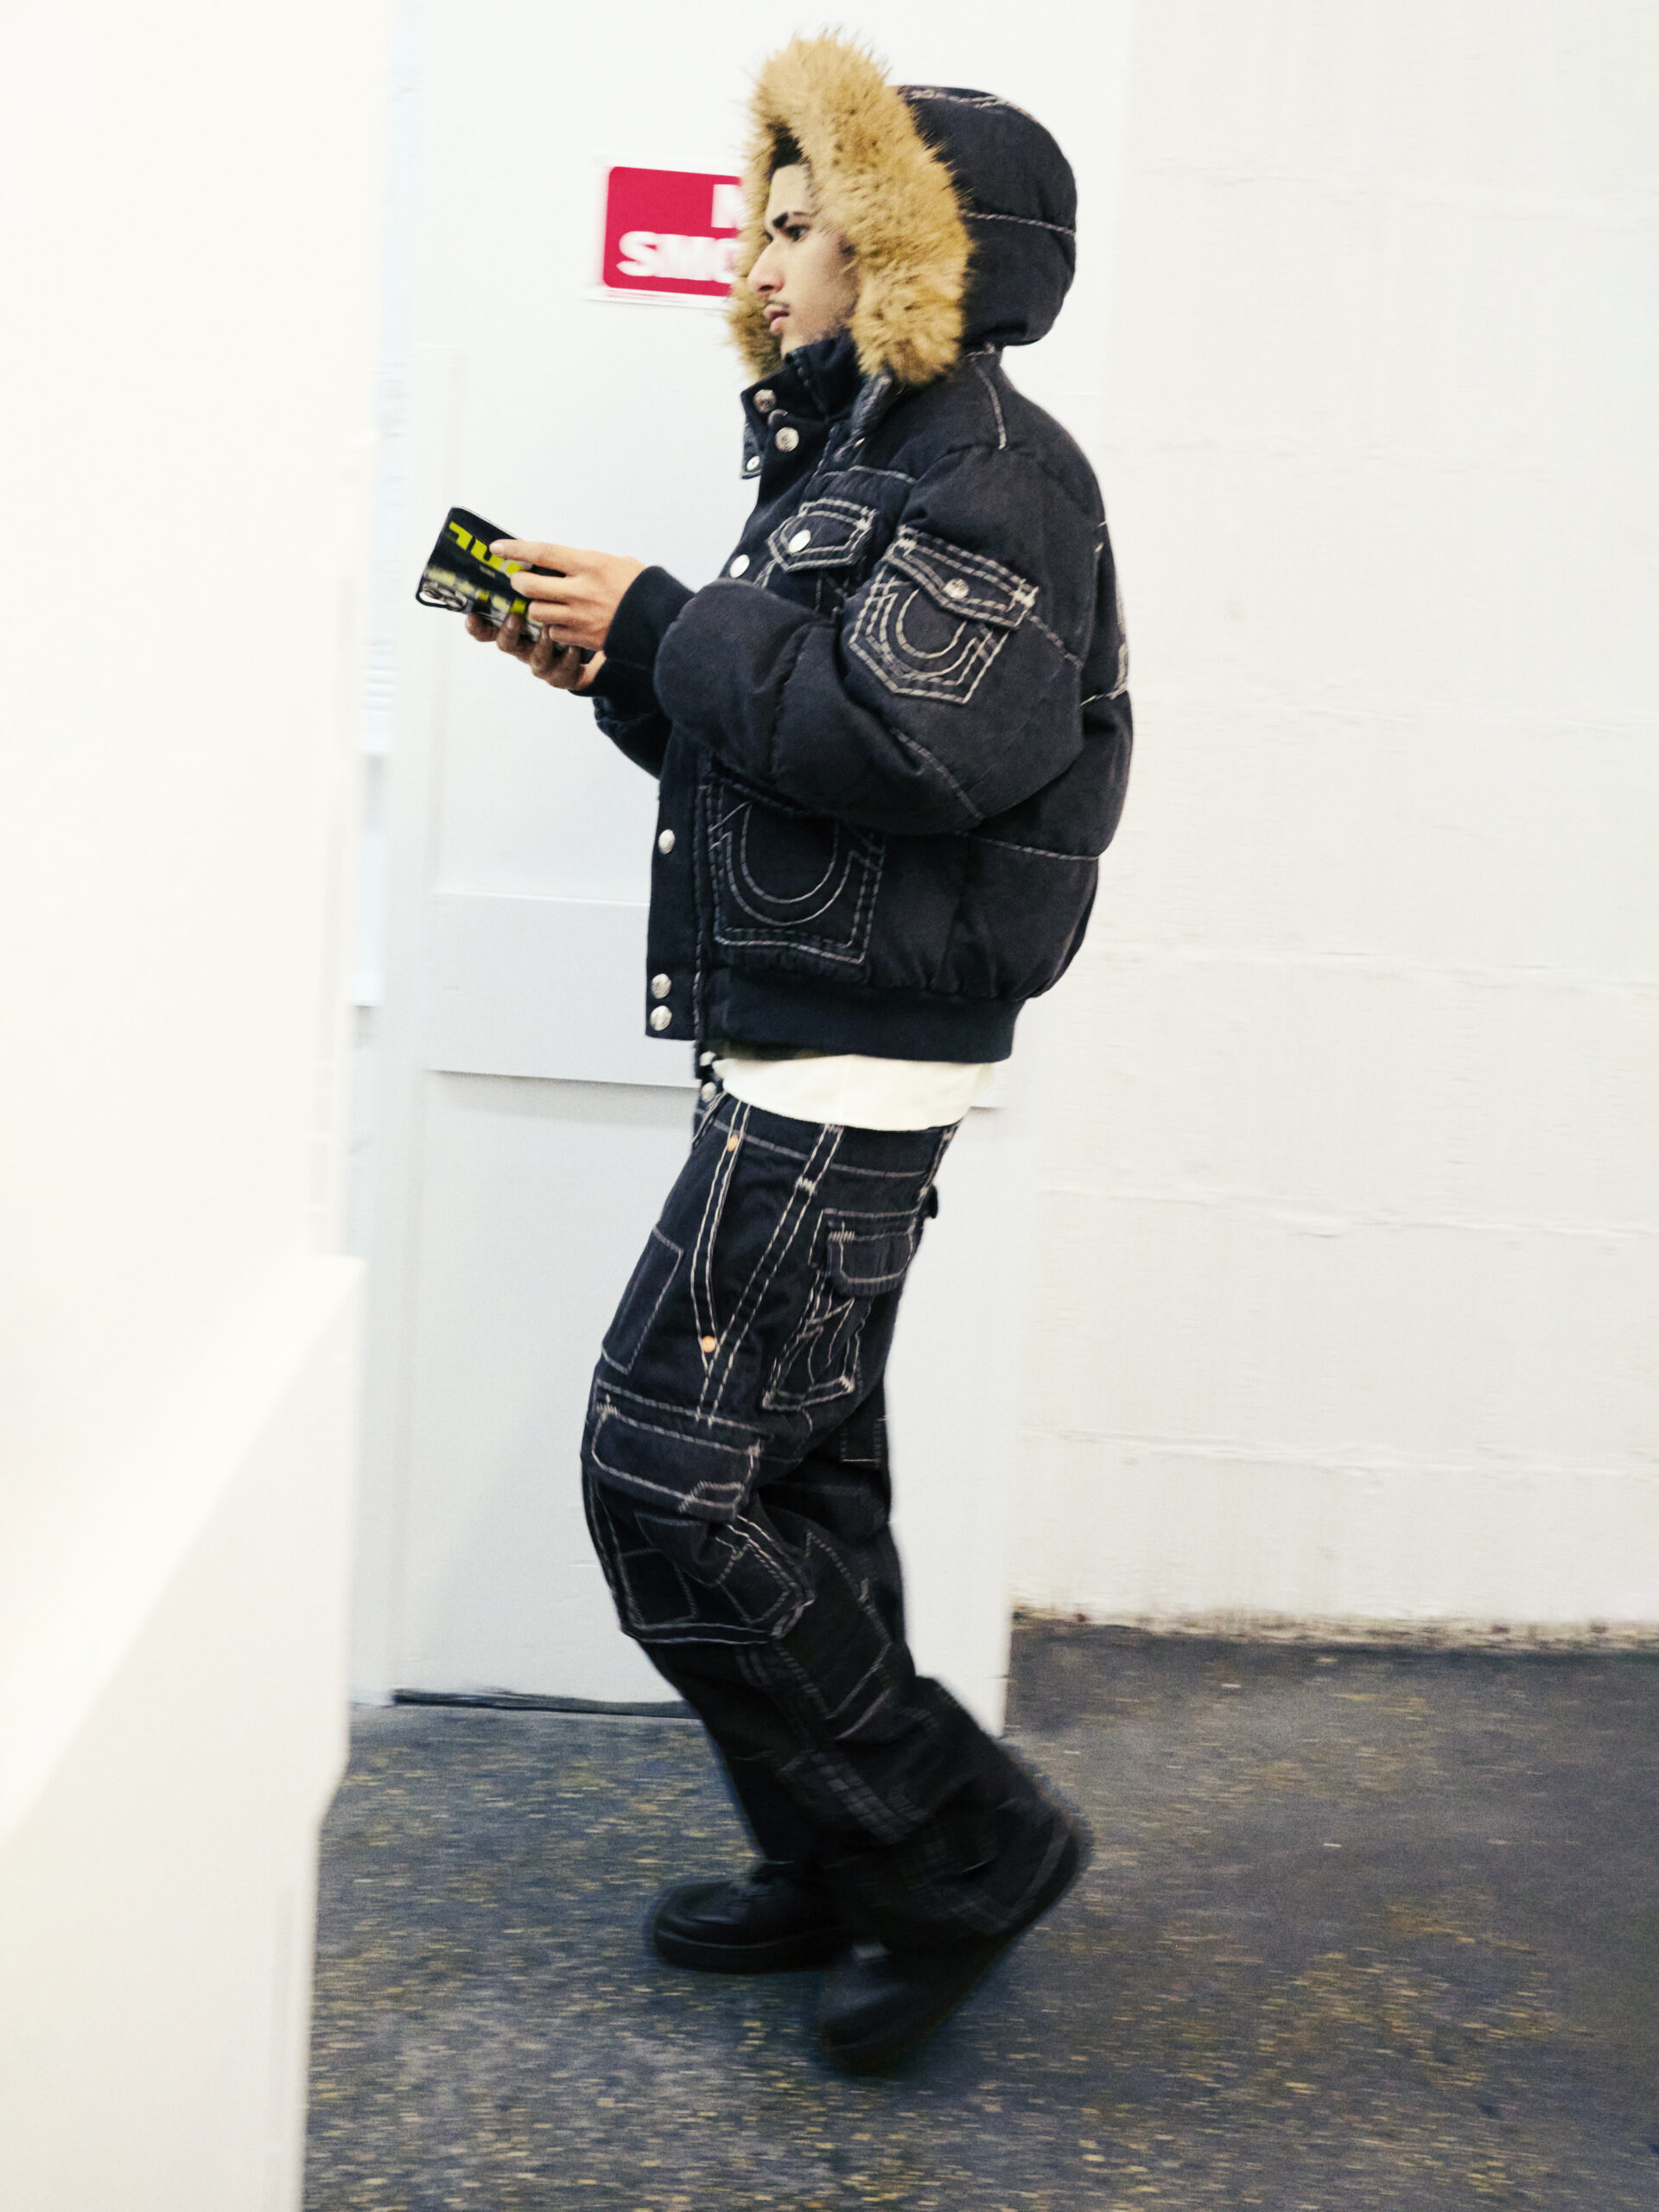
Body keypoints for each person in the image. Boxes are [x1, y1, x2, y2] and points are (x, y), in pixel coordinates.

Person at [465, 35, 1131, 2072]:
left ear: (911, 249)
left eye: (794, 223)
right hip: (805, 1043)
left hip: (851, 1072)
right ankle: (845, 1857)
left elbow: (923, 744)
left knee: (666, 1476)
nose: (755, 260)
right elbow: (794, 750)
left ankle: (961, 1840)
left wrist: (675, 617)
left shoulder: (996, 471)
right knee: (796, 1493)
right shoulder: (856, 459)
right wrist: (621, 663)